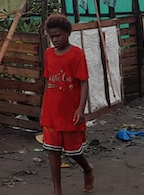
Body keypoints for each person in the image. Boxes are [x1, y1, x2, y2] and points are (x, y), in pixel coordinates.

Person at [41, 13, 94, 195]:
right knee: (52, 152)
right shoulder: (48, 54)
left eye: (58, 35)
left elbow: (84, 82)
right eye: (52, 36)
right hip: (51, 111)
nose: (55, 40)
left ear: (67, 33)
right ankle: (57, 190)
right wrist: (44, 107)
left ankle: (87, 169)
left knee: (73, 153)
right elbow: (48, 81)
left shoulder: (76, 54)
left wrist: (81, 108)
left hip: (71, 112)